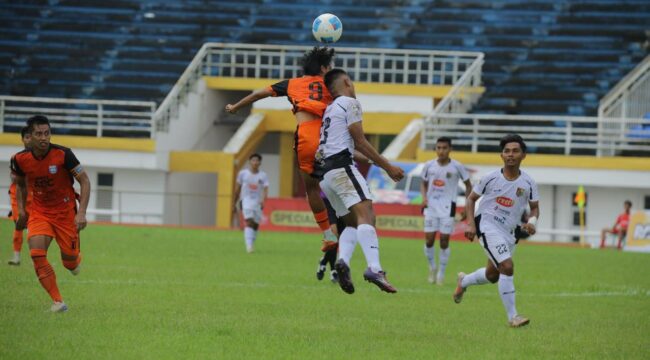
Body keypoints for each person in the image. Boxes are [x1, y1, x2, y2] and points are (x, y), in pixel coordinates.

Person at [225, 47, 339, 253]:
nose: (330, 69)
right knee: (339, 184)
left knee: (312, 189)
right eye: (329, 66)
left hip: (307, 137)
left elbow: (259, 94)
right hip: (331, 137)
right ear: (323, 68)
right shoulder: (332, 83)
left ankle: (328, 234)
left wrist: (236, 107)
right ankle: (345, 226)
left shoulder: (292, 84)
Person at [315, 68, 404, 294]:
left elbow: (350, 147)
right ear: (346, 81)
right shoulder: (350, 103)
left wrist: (374, 163)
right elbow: (360, 141)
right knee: (368, 215)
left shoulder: (329, 110)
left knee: (353, 223)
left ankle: (343, 261)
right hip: (342, 168)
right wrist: (388, 167)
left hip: (326, 176)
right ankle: (375, 268)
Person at [453, 134, 539, 328]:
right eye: (507, 151)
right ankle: (513, 316)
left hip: (510, 232)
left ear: (523, 155)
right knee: (507, 266)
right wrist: (470, 224)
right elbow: (471, 199)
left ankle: (463, 281)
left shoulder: (529, 183)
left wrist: (532, 222)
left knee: (493, 275)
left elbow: (534, 208)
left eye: (515, 151)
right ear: (501, 155)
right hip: (487, 225)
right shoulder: (490, 178)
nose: (511, 155)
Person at [11, 115, 91, 312]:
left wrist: (81, 213)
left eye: (47, 133)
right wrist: (22, 211)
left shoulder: (64, 155)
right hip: (40, 212)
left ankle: (74, 260)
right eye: (39, 134)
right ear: (30, 136)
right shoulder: (20, 160)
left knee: (69, 262)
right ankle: (58, 302)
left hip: (65, 213)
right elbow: (20, 185)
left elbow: (85, 181)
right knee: (36, 253)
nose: (44, 138)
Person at [420, 137, 471, 284]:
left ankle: (441, 273)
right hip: (431, 207)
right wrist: (424, 198)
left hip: (448, 208)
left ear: (450, 149)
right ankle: (432, 267)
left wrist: (468, 207)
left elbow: (469, 186)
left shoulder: (457, 167)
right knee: (429, 240)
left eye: (444, 148)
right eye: (438, 148)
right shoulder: (428, 165)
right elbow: (423, 184)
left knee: (444, 241)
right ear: (435, 149)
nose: (441, 151)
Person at [7, 126, 33, 265]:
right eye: (27, 137)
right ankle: (16, 257)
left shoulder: (41, 158)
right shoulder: (16, 158)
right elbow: (15, 179)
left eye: (31, 137)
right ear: (22, 139)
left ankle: (37, 257)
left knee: (33, 229)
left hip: (34, 198)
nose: (29, 140)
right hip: (18, 197)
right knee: (19, 224)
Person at [233, 153, 269, 253]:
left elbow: (265, 189)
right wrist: (234, 202)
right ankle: (249, 247)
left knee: (256, 224)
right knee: (249, 221)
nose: (255, 162)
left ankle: (251, 242)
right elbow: (237, 189)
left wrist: (263, 200)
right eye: (253, 160)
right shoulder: (243, 174)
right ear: (249, 162)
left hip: (257, 202)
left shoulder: (263, 175)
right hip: (245, 200)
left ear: (260, 163)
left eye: (257, 160)